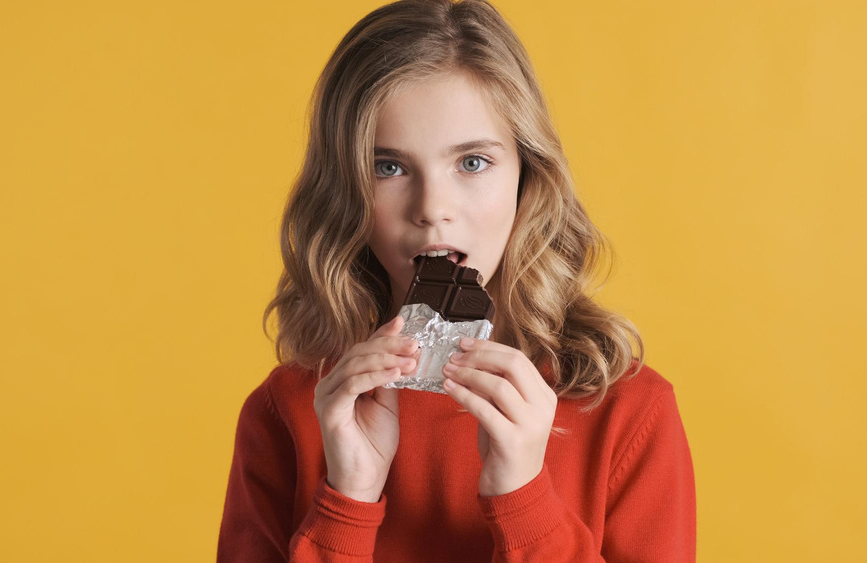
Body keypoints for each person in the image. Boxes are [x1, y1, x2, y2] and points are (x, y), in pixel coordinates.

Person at [217, 1, 696, 561]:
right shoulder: (289, 413)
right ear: (344, 189)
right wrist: (346, 503)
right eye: (388, 167)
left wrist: (523, 499)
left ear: (527, 176)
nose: (432, 208)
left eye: (471, 162)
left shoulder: (627, 412)